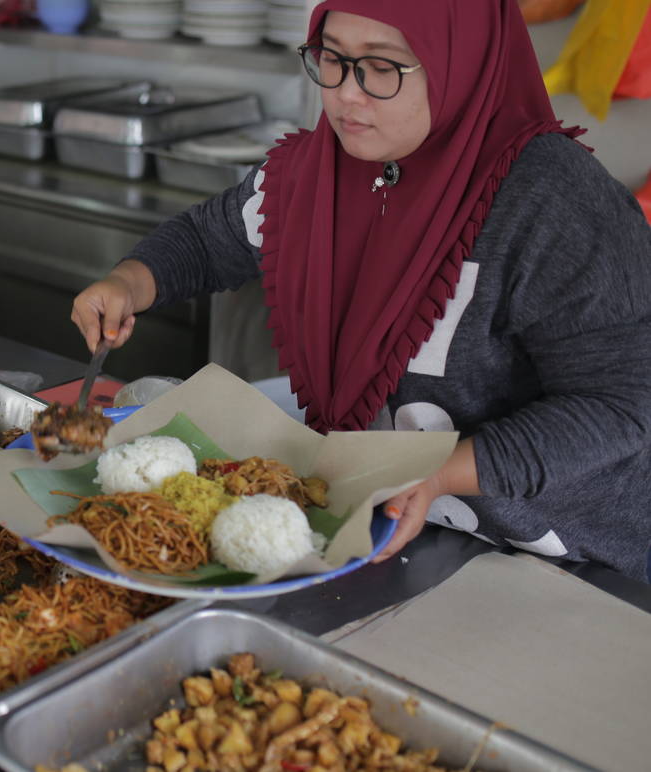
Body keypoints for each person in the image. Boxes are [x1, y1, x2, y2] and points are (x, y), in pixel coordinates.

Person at [71, 0, 651, 580]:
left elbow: (618, 407)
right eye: (333, 59)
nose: (347, 94)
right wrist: (129, 281)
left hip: (574, 562)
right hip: (399, 533)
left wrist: (441, 472)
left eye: (382, 67)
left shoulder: (553, 202)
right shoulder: (313, 175)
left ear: (458, 64)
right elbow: (208, 239)